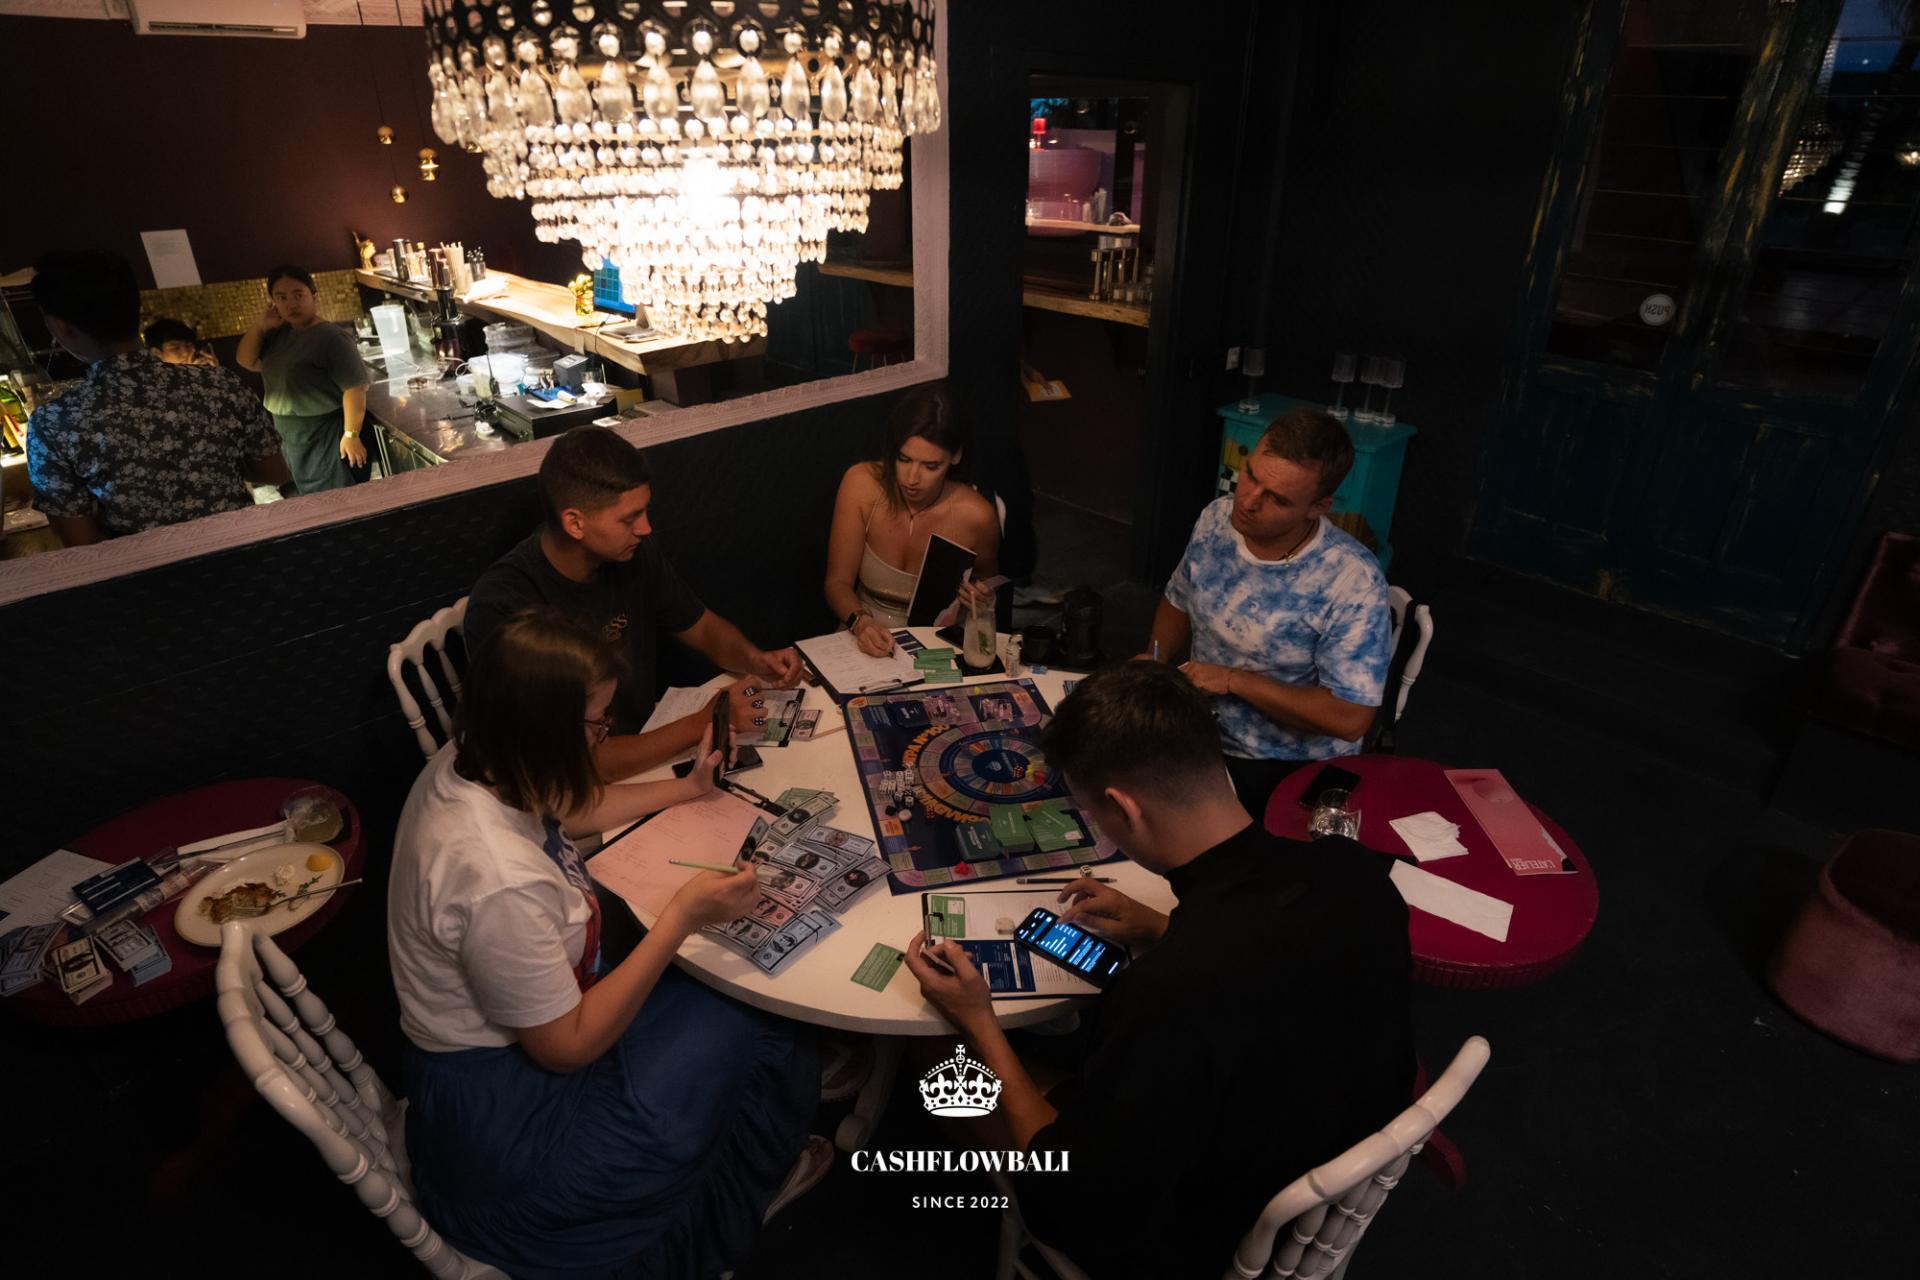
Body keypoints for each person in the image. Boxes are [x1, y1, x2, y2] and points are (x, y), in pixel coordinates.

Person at [904, 662, 1413, 1280]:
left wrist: (979, 1022)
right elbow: (1273, 958)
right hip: (1323, 1151)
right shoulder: (1356, 871)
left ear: (1122, 808)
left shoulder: (1168, 994)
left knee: (937, 1053)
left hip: (1199, 1237)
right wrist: (1159, 926)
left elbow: (1075, 1203)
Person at [389, 608, 827, 1278]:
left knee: (732, 1006)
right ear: (544, 732)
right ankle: (749, 1180)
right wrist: (682, 917)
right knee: (743, 1010)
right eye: (597, 724)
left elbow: (564, 807)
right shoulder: (495, 879)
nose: (607, 735)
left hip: (527, 1043)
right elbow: (564, 1048)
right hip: (513, 1129)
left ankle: (771, 1113)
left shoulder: (480, 756)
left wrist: (684, 788)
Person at [465, 425, 807, 783]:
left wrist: (753, 659)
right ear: (575, 522)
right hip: (573, 788)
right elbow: (574, 762)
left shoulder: (632, 554)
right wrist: (705, 720)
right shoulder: (504, 604)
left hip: (648, 747)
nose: (646, 528)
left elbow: (703, 628)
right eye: (629, 518)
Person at [1147, 407, 1391, 815]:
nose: (1247, 501)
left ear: (1318, 507)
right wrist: (1153, 658)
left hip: (1289, 766)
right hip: (1199, 733)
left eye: (1276, 498)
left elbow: (1350, 718)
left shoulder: (1352, 580)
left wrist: (1232, 680)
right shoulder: (1216, 518)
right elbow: (1179, 598)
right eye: (1250, 475)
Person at [24, 250, 292, 546]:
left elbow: (80, 542)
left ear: (60, 326)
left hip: (145, 570)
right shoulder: (220, 383)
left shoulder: (53, 423)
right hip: (241, 555)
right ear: (134, 309)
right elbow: (275, 472)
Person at [824, 384, 1001, 656]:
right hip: (860, 632)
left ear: (955, 456)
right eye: (904, 459)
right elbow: (837, 584)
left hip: (934, 644)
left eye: (931, 466)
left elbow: (987, 583)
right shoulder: (861, 485)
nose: (912, 478)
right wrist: (861, 623)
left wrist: (983, 598)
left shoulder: (976, 516)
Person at [236, 264, 370, 494]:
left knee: (335, 497)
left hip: (323, 433)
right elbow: (246, 361)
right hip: (287, 432)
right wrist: (260, 326)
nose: (291, 304)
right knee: (304, 497)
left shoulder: (331, 337)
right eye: (282, 297)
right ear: (273, 302)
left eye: (298, 295)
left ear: (314, 296)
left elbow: (355, 388)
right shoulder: (277, 335)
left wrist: (351, 434)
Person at [142, 317, 217, 367]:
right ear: (157, 352)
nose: (186, 353)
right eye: (175, 348)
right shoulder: (153, 380)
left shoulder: (202, 368)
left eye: (188, 346)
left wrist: (216, 372)